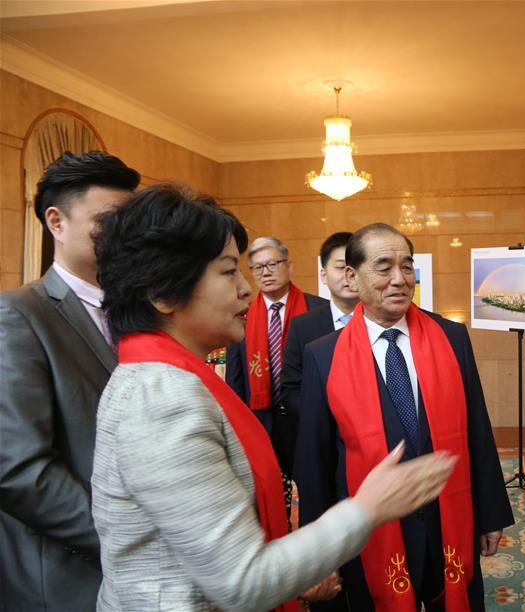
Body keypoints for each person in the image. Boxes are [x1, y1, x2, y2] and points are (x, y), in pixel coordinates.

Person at [90, 184, 456, 611]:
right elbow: (242, 580)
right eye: (229, 272)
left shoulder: (165, 378)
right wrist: (367, 508)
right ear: (163, 293)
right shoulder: (161, 398)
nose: (246, 290)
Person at [297, 223, 514, 611]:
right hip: (370, 532)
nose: (399, 279)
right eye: (384, 268)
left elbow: (477, 431)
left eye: (407, 267)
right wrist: (319, 549)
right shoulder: (323, 355)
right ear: (352, 277)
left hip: (448, 519)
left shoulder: (452, 337)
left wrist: (490, 515)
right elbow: (316, 461)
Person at [0, 151, 140, 611]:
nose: (125, 236)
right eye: (108, 222)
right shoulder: (19, 314)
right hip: (67, 576)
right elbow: (18, 469)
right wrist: (127, 540)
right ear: (56, 222)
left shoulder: (141, 315)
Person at [225, 236, 326, 515]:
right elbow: (235, 380)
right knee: (270, 498)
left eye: (272, 264)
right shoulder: (241, 315)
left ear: (289, 266)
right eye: (258, 268)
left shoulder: (318, 311)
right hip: (262, 421)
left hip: (306, 418)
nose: (265, 272)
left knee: (314, 491)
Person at [281, 231, 358, 483]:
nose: (349, 275)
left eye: (355, 267)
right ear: (324, 275)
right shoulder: (303, 326)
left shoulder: (383, 323)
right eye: (341, 267)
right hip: (321, 443)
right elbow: (291, 389)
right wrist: (325, 420)